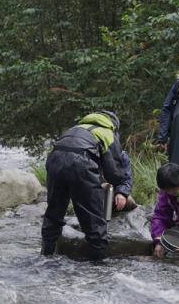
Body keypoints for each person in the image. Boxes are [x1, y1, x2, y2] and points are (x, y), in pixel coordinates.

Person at [41, 111, 132, 261]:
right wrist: (121, 189)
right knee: (94, 222)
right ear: (114, 126)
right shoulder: (108, 133)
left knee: (54, 215)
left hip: (54, 164)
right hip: (80, 165)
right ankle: (97, 267)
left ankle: (46, 257)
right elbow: (115, 173)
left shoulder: (74, 130)